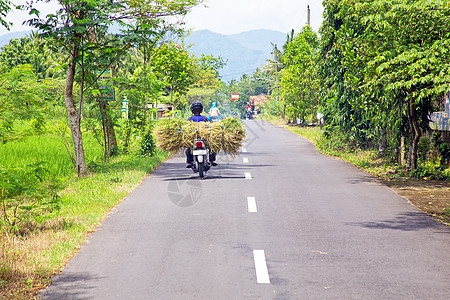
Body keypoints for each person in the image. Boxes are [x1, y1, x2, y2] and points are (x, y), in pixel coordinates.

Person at [186, 101, 218, 168]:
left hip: (193, 139)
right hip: (204, 138)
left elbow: (185, 127)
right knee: (213, 148)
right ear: (201, 110)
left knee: (188, 149)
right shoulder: (204, 118)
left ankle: (189, 162)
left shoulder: (190, 119)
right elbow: (211, 125)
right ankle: (211, 160)